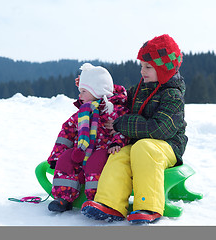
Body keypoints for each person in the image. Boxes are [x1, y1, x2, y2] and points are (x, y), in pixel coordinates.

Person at [80, 34, 188, 224]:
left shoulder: (173, 95)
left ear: (164, 69)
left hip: (167, 146)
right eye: (141, 66)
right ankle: (109, 203)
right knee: (119, 154)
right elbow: (118, 98)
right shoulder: (140, 88)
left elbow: (160, 129)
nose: (142, 71)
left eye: (148, 67)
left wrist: (122, 123)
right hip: (140, 145)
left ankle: (148, 205)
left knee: (143, 148)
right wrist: (92, 88)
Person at [47, 63, 129, 212]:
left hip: (104, 150)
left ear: (97, 91)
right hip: (82, 149)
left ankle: (97, 198)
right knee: (66, 159)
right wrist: (57, 154)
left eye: (84, 91)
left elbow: (122, 130)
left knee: (95, 163)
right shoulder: (82, 113)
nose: (80, 95)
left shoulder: (113, 111)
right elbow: (67, 132)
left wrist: (117, 142)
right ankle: (63, 197)